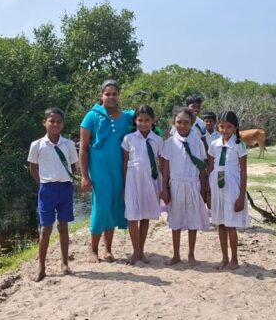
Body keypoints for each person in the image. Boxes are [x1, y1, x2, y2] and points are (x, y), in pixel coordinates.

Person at [80, 80, 135, 263]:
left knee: (113, 205)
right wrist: (84, 176)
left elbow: (146, 123)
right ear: (101, 95)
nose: (111, 97)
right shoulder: (91, 116)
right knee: (101, 206)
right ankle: (93, 249)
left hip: (118, 169)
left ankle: (108, 249)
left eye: (114, 94)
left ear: (119, 96)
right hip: (98, 169)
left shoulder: (127, 118)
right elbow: (83, 148)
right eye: (107, 94)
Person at [27, 107, 78, 281]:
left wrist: (66, 180)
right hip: (47, 189)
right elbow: (33, 167)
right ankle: (41, 267)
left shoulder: (69, 144)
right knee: (46, 229)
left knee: (63, 226)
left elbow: (73, 166)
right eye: (52, 121)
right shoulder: (37, 145)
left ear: (63, 124)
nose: (55, 124)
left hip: (65, 188)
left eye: (59, 122)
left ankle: (65, 263)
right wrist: (42, 183)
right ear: (45, 122)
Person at [160, 107, 210, 265]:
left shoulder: (197, 143)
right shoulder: (169, 143)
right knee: (176, 220)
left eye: (186, 122)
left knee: (193, 220)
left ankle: (191, 255)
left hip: (193, 184)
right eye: (179, 122)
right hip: (175, 185)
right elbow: (165, 168)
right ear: (173, 122)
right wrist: (164, 188)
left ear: (192, 123)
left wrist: (204, 189)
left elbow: (202, 168)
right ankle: (176, 255)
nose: (182, 125)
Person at [206, 111, 250, 270]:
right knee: (221, 224)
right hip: (217, 186)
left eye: (229, 127)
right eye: (222, 126)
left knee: (231, 225)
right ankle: (224, 258)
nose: (225, 130)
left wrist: (241, 196)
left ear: (235, 127)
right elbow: (210, 167)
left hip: (232, 188)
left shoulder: (239, 145)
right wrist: (209, 193)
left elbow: (244, 172)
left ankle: (234, 259)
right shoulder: (214, 144)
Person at [121, 105, 163, 265]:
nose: (143, 123)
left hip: (150, 180)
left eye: (147, 120)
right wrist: (124, 184)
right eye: (140, 120)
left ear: (153, 121)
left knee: (145, 216)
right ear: (135, 121)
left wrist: (163, 186)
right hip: (133, 180)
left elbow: (162, 162)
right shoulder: (129, 139)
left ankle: (141, 251)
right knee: (132, 216)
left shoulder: (158, 140)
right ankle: (135, 251)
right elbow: (125, 162)